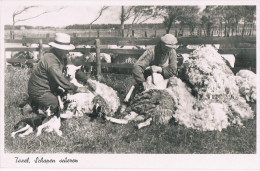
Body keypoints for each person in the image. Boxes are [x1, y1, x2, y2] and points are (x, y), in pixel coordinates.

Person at [27, 33, 90, 115]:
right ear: (58, 48)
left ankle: (36, 102)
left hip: (48, 87)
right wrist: (76, 88)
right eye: (65, 49)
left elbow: (74, 69)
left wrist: (87, 79)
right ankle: (34, 106)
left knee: (64, 97)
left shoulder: (61, 56)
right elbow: (59, 78)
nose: (67, 51)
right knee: (55, 105)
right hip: (39, 90)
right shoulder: (50, 60)